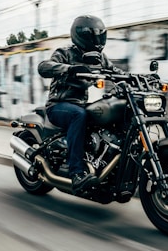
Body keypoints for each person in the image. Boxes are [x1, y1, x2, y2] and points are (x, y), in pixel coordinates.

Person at [38, 15, 123, 195]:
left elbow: (116, 72)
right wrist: (68, 68)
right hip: (59, 105)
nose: (97, 40)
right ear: (82, 35)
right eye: (94, 35)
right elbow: (44, 67)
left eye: (100, 35)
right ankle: (76, 172)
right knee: (79, 115)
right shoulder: (66, 53)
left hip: (80, 104)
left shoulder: (99, 58)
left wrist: (138, 78)